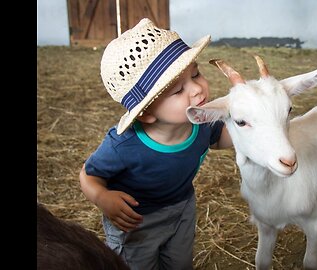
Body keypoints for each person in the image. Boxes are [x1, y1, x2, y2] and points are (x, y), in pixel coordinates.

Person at [79, 18, 232, 270]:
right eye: (177, 90)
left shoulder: (202, 122)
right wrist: (101, 196)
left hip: (182, 209)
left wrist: (250, 126)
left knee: (180, 263)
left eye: (195, 73)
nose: (197, 89)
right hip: (136, 224)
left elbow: (221, 138)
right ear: (146, 113)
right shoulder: (123, 146)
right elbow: (88, 174)